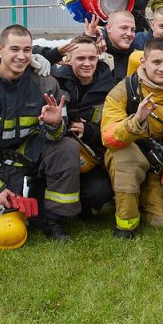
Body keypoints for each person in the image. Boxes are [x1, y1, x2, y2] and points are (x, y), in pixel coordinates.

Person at [0, 25, 79, 242]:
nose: (21, 56)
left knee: (67, 148)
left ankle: (53, 220)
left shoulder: (45, 82)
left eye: (27, 50)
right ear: (0, 49)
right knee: (7, 228)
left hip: (28, 153)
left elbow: (56, 137)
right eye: (14, 49)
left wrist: (55, 125)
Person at [100, 38, 163, 238]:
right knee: (126, 155)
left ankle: (145, 197)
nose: (162, 68)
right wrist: (137, 121)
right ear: (143, 62)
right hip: (128, 156)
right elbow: (109, 138)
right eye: (156, 62)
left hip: (161, 165)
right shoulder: (124, 91)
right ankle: (126, 226)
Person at [44, 34, 115, 219]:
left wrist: (90, 131)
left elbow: (115, 128)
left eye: (92, 58)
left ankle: (83, 206)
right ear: (68, 60)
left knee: (99, 192)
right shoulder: (54, 82)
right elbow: (30, 58)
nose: (87, 63)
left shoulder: (110, 86)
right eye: (80, 58)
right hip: (59, 152)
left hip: (91, 155)